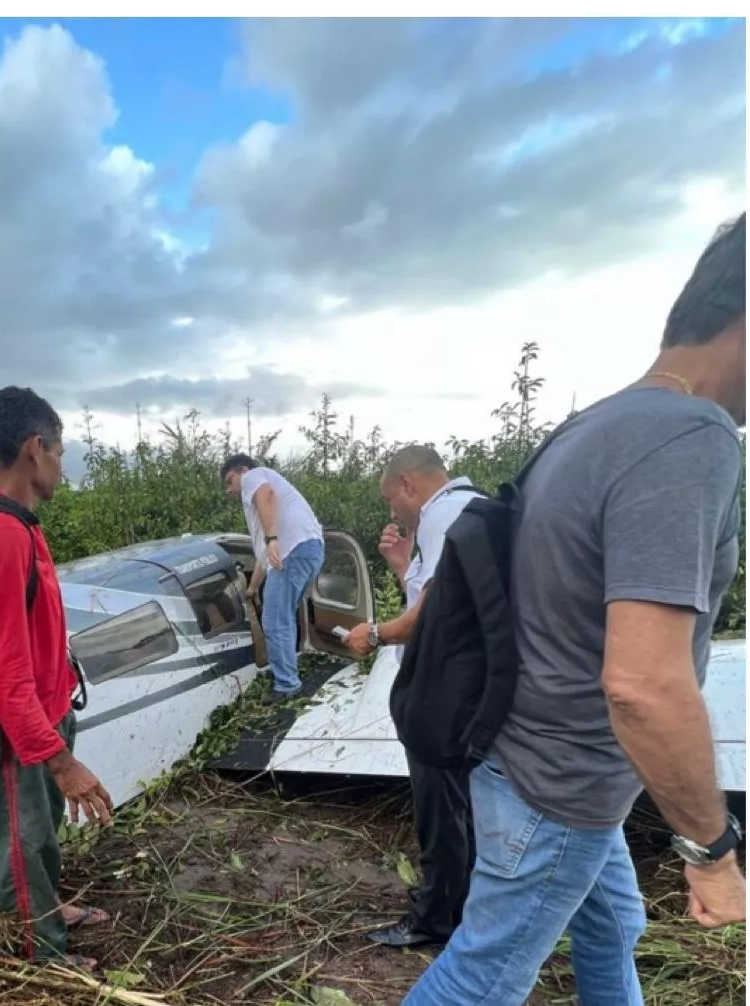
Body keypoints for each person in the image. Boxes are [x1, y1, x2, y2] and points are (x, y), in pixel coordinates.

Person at [403, 215, 747, 1006]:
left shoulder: (594, 425)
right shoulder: (689, 436)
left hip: (523, 757)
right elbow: (644, 685)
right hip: (562, 785)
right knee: (478, 978)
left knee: (610, 926)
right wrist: (713, 853)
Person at [0, 386, 114, 969]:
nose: (63, 464)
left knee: (41, 833)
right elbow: (2, 672)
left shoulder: (18, 523)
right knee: (22, 844)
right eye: (61, 451)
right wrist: (59, 759)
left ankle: (49, 911)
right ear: (34, 447)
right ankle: (40, 957)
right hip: (18, 729)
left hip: (42, 716)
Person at [344, 446, 482, 948]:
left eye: (390, 501)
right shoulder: (472, 506)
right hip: (467, 683)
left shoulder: (443, 517)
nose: (392, 513)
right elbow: (437, 595)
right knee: (462, 802)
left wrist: (375, 634)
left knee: (439, 806)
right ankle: (464, 904)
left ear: (407, 483)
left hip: (444, 687)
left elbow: (433, 616)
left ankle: (437, 917)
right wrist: (402, 566)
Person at [221, 454, 325, 702]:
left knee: (274, 620)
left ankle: (287, 685)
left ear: (242, 469)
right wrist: (253, 588)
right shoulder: (270, 500)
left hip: (293, 552)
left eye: (229, 480)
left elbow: (266, 495)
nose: (229, 489)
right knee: (283, 616)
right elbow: (264, 559)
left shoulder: (253, 477)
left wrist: (272, 540)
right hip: (309, 551)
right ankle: (289, 674)